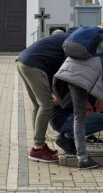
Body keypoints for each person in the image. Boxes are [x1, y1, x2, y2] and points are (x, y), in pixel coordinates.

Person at [54, 27, 103, 170]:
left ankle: (82, 158)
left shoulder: (100, 36)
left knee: (79, 114)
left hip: (69, 73)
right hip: (87, 72)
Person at [16, 27, 77, 163]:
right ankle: (38, 148)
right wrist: (54, 93)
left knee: (38, 105)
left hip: (23, 62)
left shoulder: (62, 39)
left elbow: (53, 69)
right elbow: (63, 72)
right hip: (33, 66)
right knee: (46, 105)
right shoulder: (71, 43)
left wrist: (51, 91)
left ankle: (40, 144)